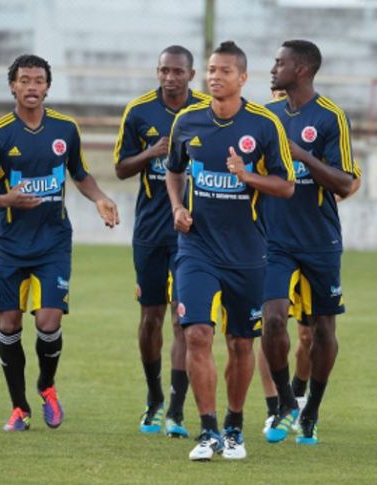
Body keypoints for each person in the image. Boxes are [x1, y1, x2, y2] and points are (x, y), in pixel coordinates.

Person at [0, 54, 119, 432]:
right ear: (13, 86)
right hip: (10, 244)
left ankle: (46, 385)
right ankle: (19, 407)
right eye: (25, 80)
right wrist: (7, 200)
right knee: (8, 325)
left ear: (47, 87)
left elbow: (80, 174)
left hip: (53, 241)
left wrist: (100, 197)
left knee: (49, 319)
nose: (32, 86)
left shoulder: (65, 129)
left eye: (39, 80)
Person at [165, 40, 295, 461]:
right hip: (196, 248)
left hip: (247, 253)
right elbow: (173, 171)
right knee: (197, 333)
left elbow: (286, 185)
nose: (215, 77)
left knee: (241, 344)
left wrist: (248, 176)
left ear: (242, 78)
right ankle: (208, 431)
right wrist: (179, 206)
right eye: (211, 70)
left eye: (224, 71)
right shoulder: (187, 122)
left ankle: (235, 428)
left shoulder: (263, 125)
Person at [261, 39, 360, 445]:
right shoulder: (265, 117)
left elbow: (345, 181)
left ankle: (311, 411)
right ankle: (285, 403)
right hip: (273, 238)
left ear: (301, 70)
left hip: (319, 238)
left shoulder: (331, 117)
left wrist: (303, 157)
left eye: (279, 62)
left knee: (322, 329)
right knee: (271, 318)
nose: (272, 68)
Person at [113, 45, 210, 438]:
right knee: (150, 318)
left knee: (183, 320)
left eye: (177, 71)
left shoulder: (207, 111)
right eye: (163, 71)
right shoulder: (138, 112)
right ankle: (153, 397)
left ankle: (175, 408)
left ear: (191, 75)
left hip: (193, 232)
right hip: (151, 230)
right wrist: (150, 153)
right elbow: (120, 167)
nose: (169, 77)